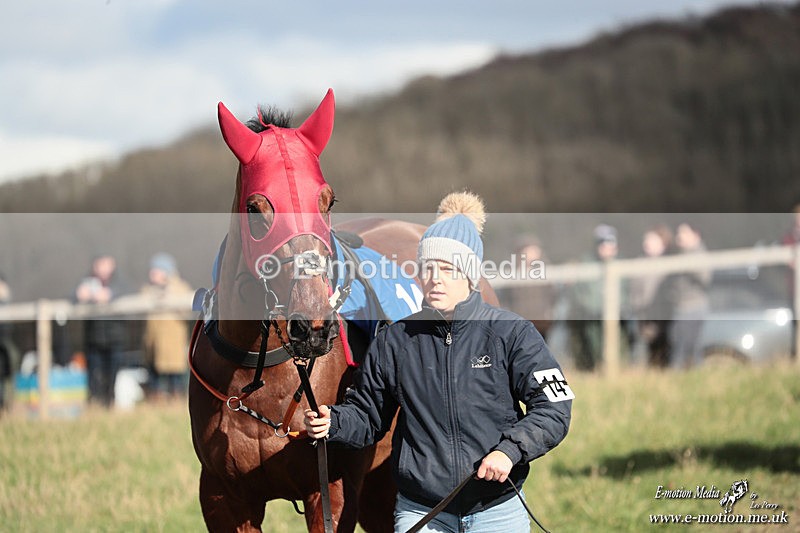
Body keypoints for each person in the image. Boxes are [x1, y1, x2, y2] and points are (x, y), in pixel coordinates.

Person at [304, 192, 572, 533]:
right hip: (422, 513)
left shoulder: (513, 333)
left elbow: (555, 405)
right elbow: (369, 415)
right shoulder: (394, 340)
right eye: (428, 268)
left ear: (471, 275)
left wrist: (510, 450)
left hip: (497, 509)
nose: (436, 278)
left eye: (448, 268)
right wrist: (334, 422)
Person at [75, 253, 131, 407]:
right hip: (93, 339)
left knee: (112, 376)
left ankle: (110, 404)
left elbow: (129, 293)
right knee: (94, 377)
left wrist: (110, 295)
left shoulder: (120, 283)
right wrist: (79, 295)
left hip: (115, 339)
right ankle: (94, 405)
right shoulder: (86, 282)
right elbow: (71, 296)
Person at [568, 224, 621, 371]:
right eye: (602, 243)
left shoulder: (620, 263)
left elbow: (626, 291)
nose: (606, 247)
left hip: (618, 315)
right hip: (592, 315)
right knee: (593, 348)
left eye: (610, 243)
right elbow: (579, 291)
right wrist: (589, 306)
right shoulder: (586, 262)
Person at [141, 253, 192, 399]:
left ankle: (176, 401)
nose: (152, 274)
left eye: (155, 271)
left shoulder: (180, 288)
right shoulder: (148, 290)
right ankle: (155, 401)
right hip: (153, 343)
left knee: (175, 379)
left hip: (172, 344)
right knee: (154, 380)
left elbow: (187, 311)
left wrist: (168, 295)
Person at [665, 223, 710, 368]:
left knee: (686, 350)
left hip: (692, 307)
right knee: (683, 348)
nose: (679, 237)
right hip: (681, 307)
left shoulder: (699, 254)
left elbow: (704, 278)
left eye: (683, 233)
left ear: (695, 234)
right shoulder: (681, 254)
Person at [628, 225, 674, 367]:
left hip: (666, 318)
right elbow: (634, 292)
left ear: (662, 243)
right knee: (644, 355)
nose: (646, 243)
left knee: (665, 354)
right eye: (646, 240)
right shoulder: (639, 263)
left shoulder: (671, 264)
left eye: (651, 240)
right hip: (644, 318)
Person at [506, 235, 557, 340]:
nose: (533, 253)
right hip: (519, 321)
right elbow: (506, 297)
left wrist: (549, 313)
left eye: (535, 250)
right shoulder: (512, 272)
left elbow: (553, 295)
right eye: (529, 250)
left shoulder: (545, 270)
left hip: (541, 321)